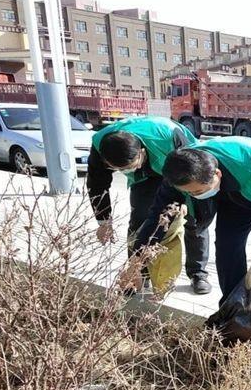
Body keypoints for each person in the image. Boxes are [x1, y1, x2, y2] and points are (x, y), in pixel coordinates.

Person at [122, 136, 251, 338]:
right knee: (227, 246)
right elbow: (157, 218)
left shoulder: (250, 159)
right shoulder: (178, 175)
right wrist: (136, 261)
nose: (194, 196)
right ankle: (234, 307)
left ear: (216, 175)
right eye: (189, 193)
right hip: (240, 196)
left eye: (199, 191)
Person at [87, 116, 213, 294]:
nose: (126, 171)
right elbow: (97, 185)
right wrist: (103, 221)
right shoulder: (101, 146)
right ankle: (137, 273)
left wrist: (185, 200)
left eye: (130, 166)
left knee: (194, 219)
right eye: (120, 169)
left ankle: (198, 273)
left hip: (182, 166)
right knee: (140, 218)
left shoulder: (169, 136)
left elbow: (192, 172)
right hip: (146, 177)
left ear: (141, 152)